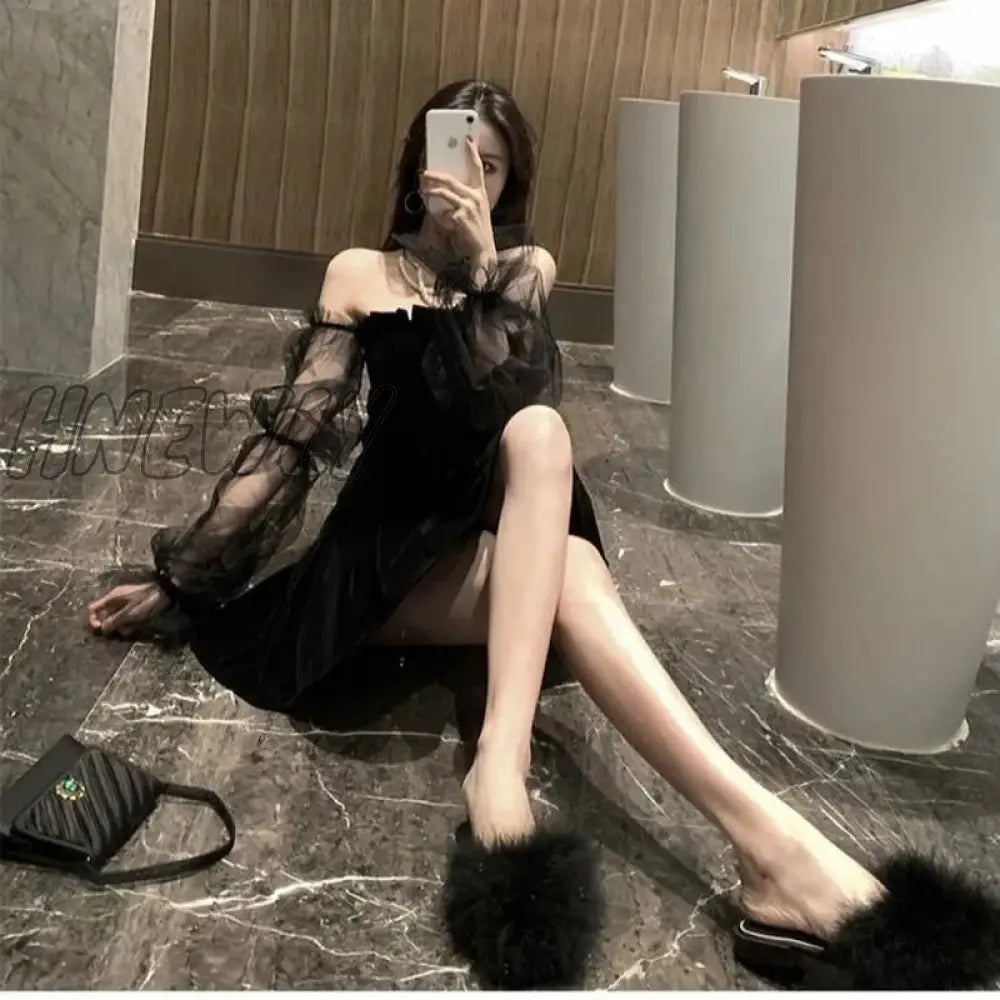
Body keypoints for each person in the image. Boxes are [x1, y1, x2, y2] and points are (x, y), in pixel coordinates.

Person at [88, 80, 1000, 990]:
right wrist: (185, 576)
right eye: (458, 158)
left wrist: (483, 267)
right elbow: (294, 437)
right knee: (567, 574)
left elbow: (508, 398)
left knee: (540, 433)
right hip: (386, 554)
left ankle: (511, 765)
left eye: (491, 168)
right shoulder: (357, 273)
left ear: (509, 183)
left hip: (497, 527)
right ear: (417, 165)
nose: (470, 181)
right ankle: (772, 851)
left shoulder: (526, 268)